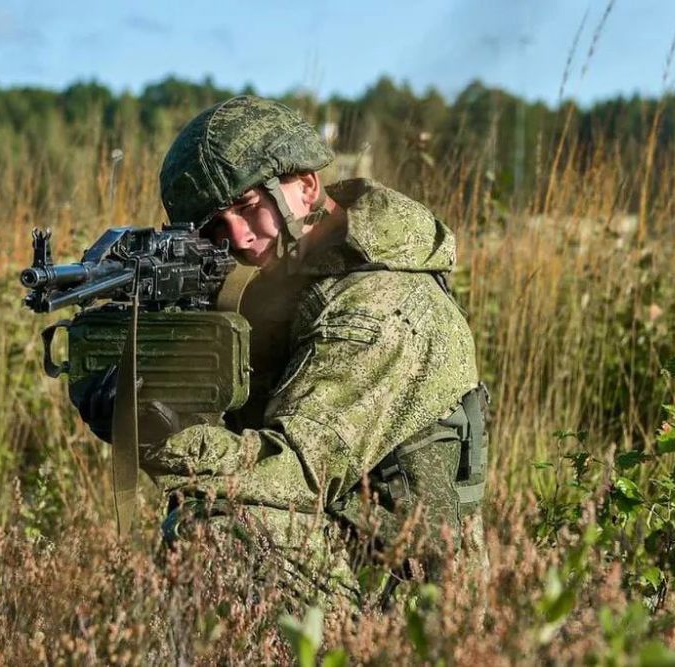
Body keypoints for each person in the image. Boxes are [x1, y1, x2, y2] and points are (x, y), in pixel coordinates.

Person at [79, 95, 489, 609]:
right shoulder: (285, 282)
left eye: (249, 208)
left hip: (413, 589)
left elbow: (293, 470)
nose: (243, 241)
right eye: (214, 231)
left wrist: (157, 434)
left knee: (216, 532)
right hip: (351, 542)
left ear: (306, 185)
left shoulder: (384, 306)